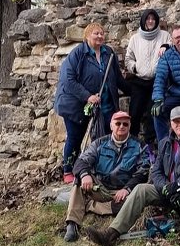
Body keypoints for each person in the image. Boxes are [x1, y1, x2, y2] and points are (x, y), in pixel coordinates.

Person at [87, 105, 180, 246]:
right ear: (171, 123)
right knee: (141, 189)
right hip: (170, 193)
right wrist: (166, 187)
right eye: (176, 121)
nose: (179, 124)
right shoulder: (165, 143)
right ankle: (111, 234)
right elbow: (156, 171)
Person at [54, 23, 131, 183]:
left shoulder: (108, 53)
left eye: (102, 33)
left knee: (105, 136)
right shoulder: (78, 54)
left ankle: (102, 168)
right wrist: (87, 96)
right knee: (75, 137)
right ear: (87, 36)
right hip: (75, 103)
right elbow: (68, 80)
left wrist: (133, 90)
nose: (100, 36)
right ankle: (68, 170)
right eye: (96, 33)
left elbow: (116, 77)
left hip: (104, 102)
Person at [63, 110, 149, 242]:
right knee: (79, 179)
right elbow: (80, 162)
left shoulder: (139, 146)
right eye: (118, 123)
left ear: (129, 126)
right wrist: (85, 175)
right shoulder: (99, 143)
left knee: (133, 203)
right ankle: (72, 224)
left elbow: (143, 172)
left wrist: (127, 189)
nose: (121, 126)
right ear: (111, 126)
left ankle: (90, 205)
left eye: (125, 124)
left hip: (121, 193)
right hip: (100, 188)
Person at [125, 9, 171, 145]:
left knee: (153, 112)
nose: (150, 21)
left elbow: (173, 46)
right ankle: (132, 140)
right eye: (148, 19)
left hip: (157, 81)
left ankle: (150, 143)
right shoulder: (135, 38)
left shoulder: (164, 35)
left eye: (153, 19)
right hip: (139, 81)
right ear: (143, 21)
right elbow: (128, 58)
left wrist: (166, 46)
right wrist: (135, 67)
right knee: (135, 111)